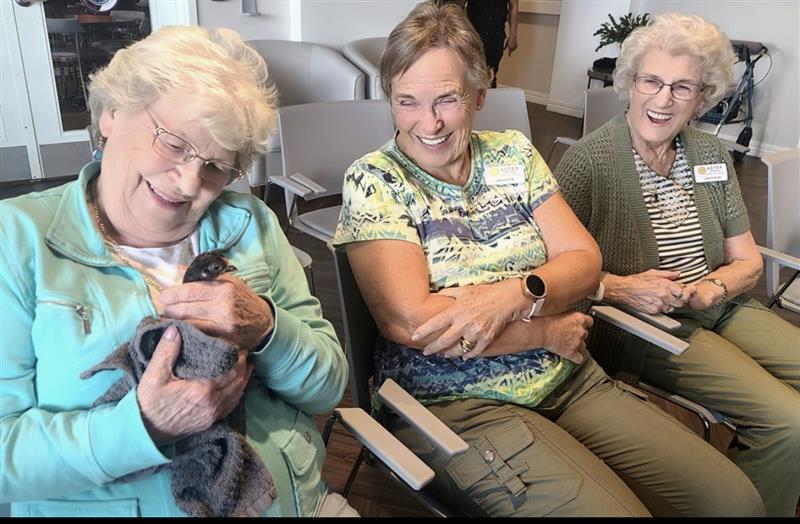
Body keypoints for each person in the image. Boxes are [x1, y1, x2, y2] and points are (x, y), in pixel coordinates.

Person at [333, 1, 764, 518]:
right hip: (459, 404)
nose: (429, 123)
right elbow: (414, 323)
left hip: (569, 376)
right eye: (407, 102)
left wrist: (511, 294)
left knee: (735, 501)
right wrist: (543, 330)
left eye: (447, 99)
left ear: (478, 94)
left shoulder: (514, 153)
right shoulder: (376, 180)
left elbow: (585, 261)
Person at [0, 26, 353, 517]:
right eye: (173, 144)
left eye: (215, 167)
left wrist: (269, 329)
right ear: (110, 114)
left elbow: (327, 387)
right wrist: (143, 426)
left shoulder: (250, 224)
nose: (190, 183)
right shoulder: (15, 239)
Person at [554, 12, 800, 517]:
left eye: (682, 87)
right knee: (787, 421)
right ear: (630, 83)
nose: (662, 100)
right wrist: (622, 288)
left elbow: (746, 259)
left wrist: (716, 287)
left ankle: (781, 480)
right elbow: (548, 275)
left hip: (721, 305)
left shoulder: (709, 153)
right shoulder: (589, 162)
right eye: (651, 81)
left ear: (703, 95)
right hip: (652, 326)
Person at [450, 0, 519, 88]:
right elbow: (460, 5)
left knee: (491, 75)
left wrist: (513, 36)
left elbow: (513, 5)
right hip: (473, 34)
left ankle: (489, 100)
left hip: (495, 36)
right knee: (471, 74)